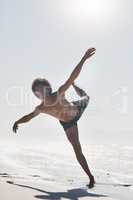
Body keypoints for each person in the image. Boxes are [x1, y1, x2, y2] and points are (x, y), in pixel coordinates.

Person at [13, 48, 96, 188]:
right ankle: (91, 177)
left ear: (48, 88)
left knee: (85, 97)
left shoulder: (59, 93)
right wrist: (17, 121)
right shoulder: (41, 108)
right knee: (77, 149)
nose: (41, 92)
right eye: (38, 91)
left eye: (43, 88)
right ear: (36, 94)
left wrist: (83, 59)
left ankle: (77, 88)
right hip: (68, 124)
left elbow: (72, 77)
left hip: (77, 109)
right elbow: (29, 116)